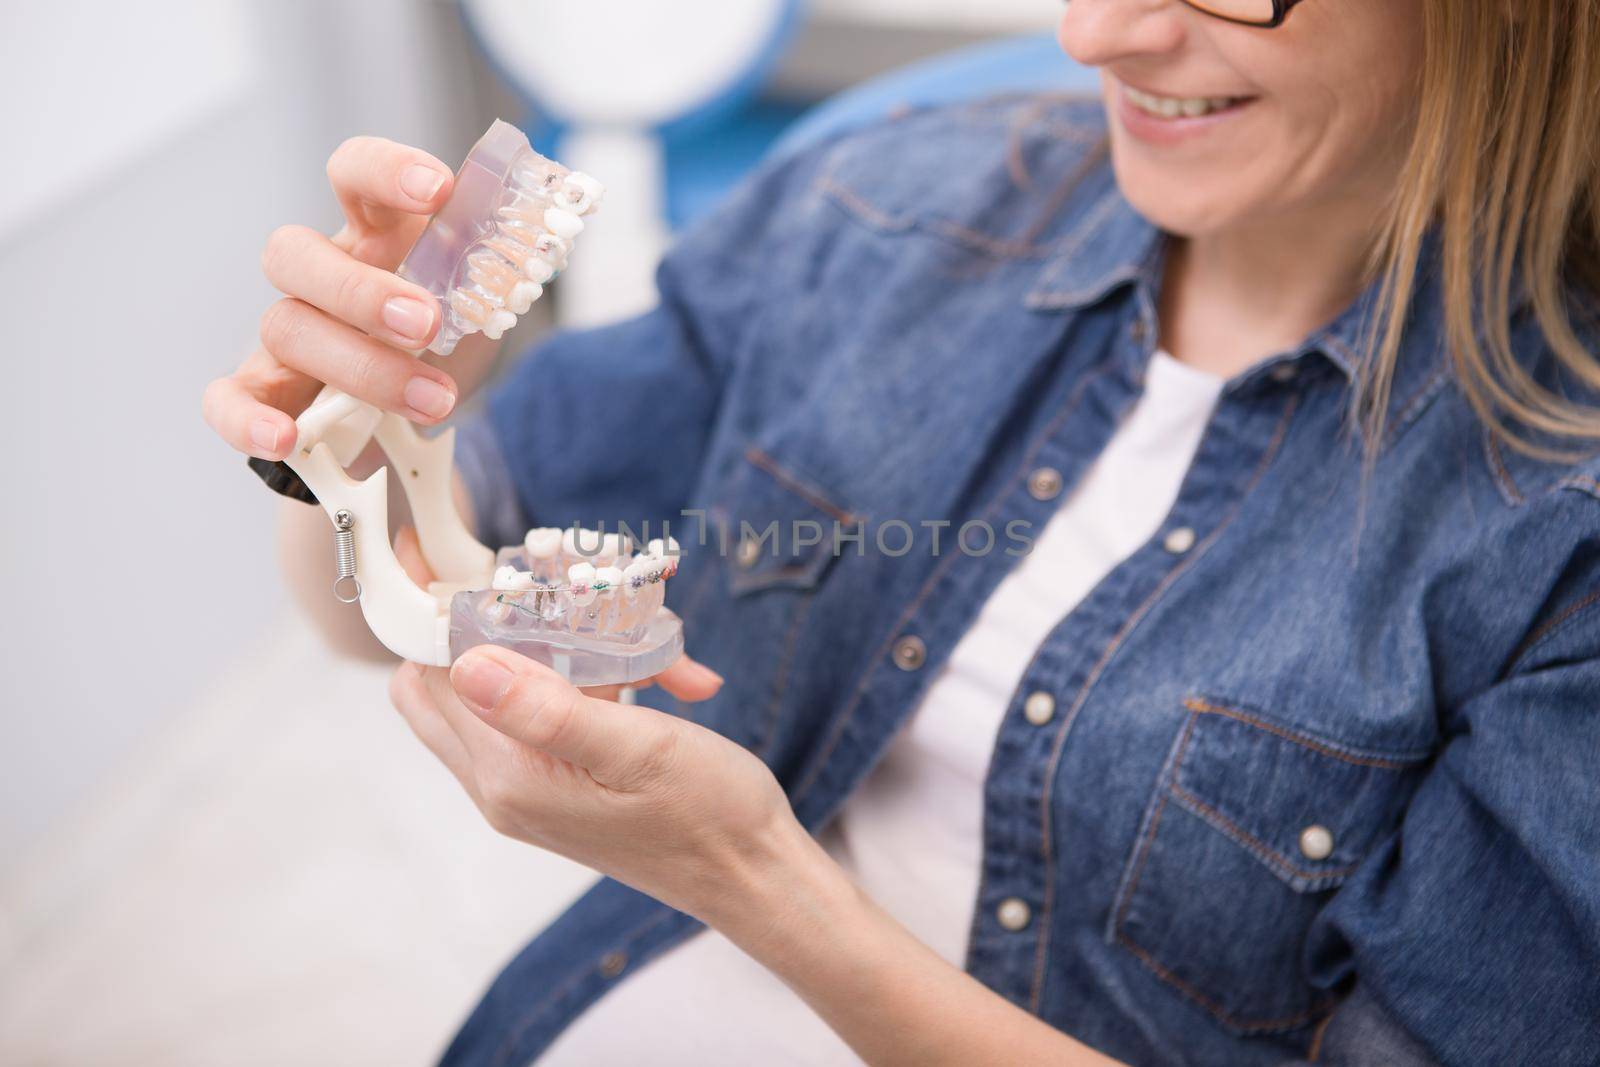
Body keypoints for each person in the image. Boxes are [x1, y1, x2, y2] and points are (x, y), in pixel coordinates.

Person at [203, 0, 1600, 1063]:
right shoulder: (874, 207)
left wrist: (752, 880)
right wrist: (352, 437)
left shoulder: (1561, 527)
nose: (1093, 33)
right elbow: (361, 610)